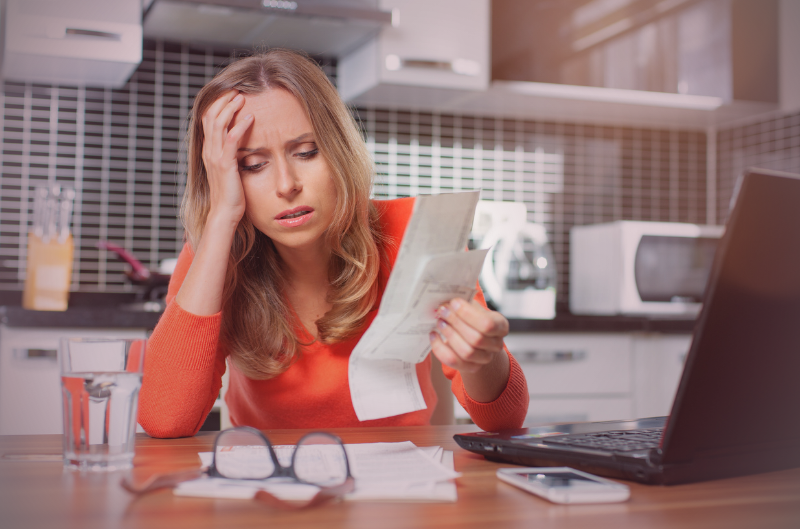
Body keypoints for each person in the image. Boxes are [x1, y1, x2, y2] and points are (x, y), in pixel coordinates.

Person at [138, 49, 529, 437]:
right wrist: (221, 215)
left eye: (307, 152)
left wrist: (483, 357)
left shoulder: (414, 233)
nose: (287, 184)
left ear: (338, 149)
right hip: (269, 483)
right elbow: (164, 419)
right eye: (253, 165)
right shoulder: (215, 255)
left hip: (399, 487)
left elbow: (503, 421)